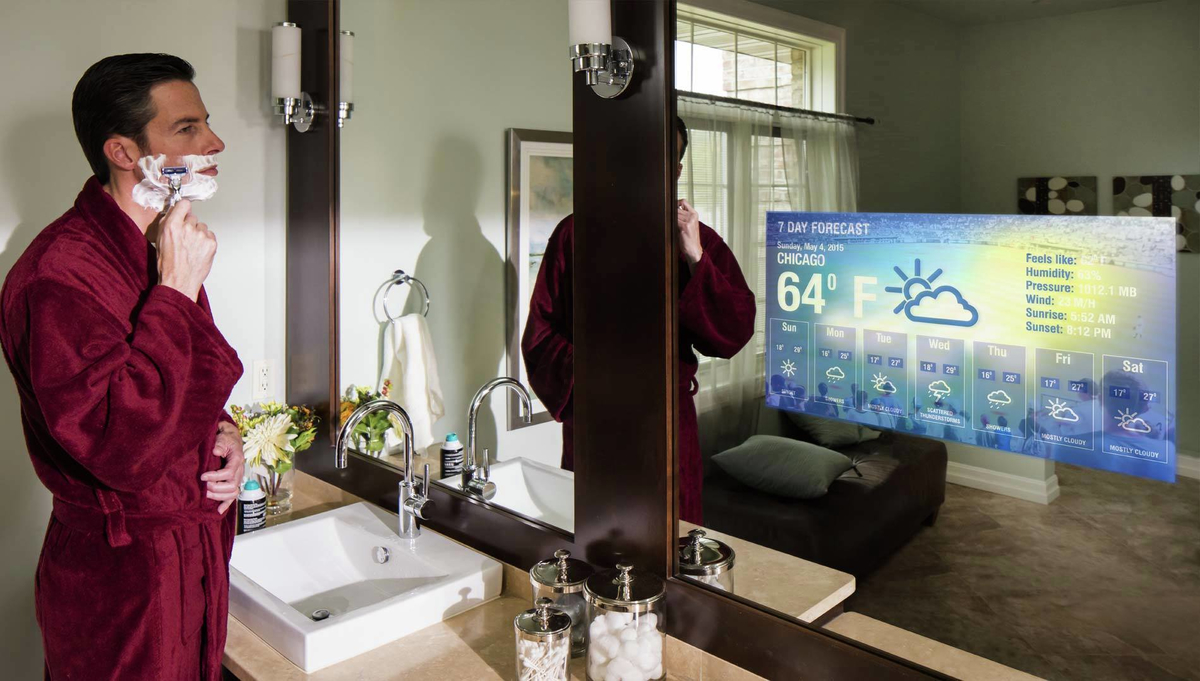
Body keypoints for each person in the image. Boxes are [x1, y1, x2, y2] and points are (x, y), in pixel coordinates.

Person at [0, 54, 244, 680]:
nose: (215, 143)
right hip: (124, 583)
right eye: (187, 128)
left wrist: (224, 435)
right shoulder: (58, 276)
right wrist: (176, 290)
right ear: (124, 152)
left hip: (188, 558)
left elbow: (177, 384)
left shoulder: (156, 245)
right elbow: (120, 445)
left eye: (206, 123)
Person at [522, 116, 755, 525]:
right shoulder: (574, 234)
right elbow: (540, 334)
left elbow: (734, 330)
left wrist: (695, 257)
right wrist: (593, 374)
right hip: (596, 423)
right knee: (591, 534)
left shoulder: (699, 241)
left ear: (676, 169)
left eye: (661, 157)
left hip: (667, 425)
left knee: (672, 538)